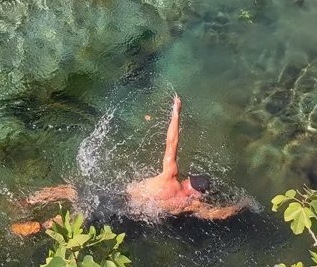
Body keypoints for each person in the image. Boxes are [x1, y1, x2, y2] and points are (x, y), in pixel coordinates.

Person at [13, 96, 250, 236]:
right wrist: (242, 205)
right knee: (80, 216)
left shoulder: (171, 176)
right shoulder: (189, 205)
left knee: (72, 190)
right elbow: (217, 214)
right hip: (125, 213)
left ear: (189, 182)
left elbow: (172, 143)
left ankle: (30, 201)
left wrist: (176, 112)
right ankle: (42, 226)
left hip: (120, 196)